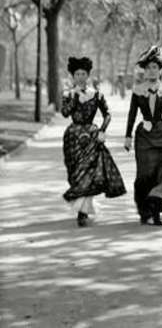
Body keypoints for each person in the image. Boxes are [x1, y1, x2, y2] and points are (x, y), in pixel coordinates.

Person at [61, 56, 126, 227]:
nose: (80, 77)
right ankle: (83, 205)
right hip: (73, 137)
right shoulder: (68, 94)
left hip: (91, 136)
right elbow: (65, 113)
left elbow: (108, 114)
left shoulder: (96, 94)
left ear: (88, 75)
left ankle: (82, 213)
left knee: (89, 171)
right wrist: (74, 99)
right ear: (73, 76)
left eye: (83, 74)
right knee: (74, 172)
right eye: (77, 74)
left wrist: (102, 130)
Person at [124, 45, 162, 226]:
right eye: (148, 68)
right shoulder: (137, 90)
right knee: (144, 174)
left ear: (160, 70)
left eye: (155, 68)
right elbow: (132, 114)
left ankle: (156, 212)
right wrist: (128, 136)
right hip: (144, 137)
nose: (151, 71)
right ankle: (144, 210)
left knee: (160, 175)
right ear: (144, 70)